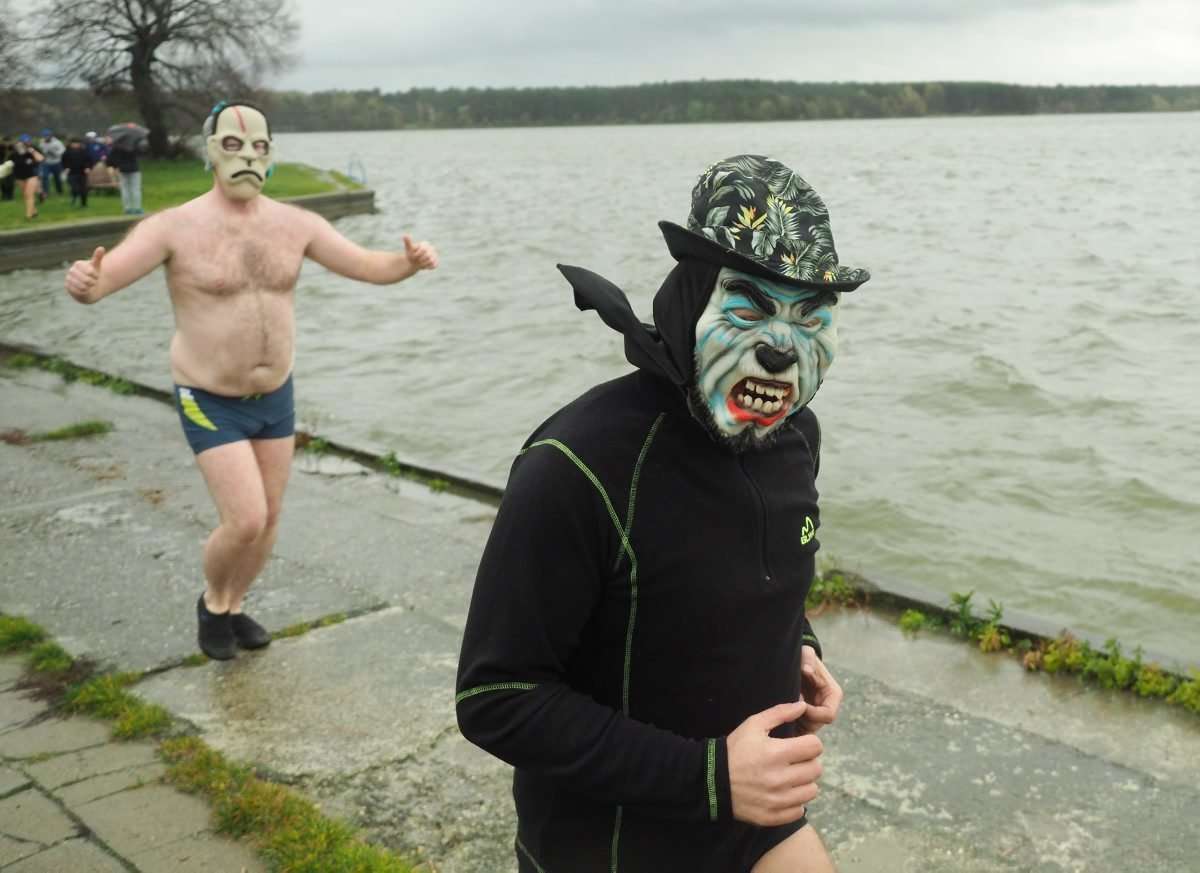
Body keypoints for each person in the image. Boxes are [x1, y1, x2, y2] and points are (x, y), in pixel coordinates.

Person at [456, 154, 870, 873]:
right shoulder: (579, 462)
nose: (780, 350)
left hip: (753, 820)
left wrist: (797, 646)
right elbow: (495, 695)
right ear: (689, 299)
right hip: (611, 844)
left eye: (810, 317)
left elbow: (761, 579)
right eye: (748, 310)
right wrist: (709, 776)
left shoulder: (794, 437)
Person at [63, 101, 440, 661]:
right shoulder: (171, 227)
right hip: (208, 396)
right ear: (211, 151)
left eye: (258, 147)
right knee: (245, 519)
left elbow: (366, 265)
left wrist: (408, 263)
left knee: (269, 520)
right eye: (234, 145)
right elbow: (102, 282)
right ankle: (213, 603)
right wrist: (84, 283)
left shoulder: (297, 224)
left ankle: (236, 603)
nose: (247, 157)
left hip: (275, 396)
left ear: (271, 155)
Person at [10, 135, 44, 219]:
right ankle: (34, 212)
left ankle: (28, 215)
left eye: (27, 142)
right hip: (19, 176)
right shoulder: (14, 154)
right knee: (25, 195)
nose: (24, 144)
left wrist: (32, 151)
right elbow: (10, 164)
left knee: (29, 194)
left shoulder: (31, 151)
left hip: (31, 176)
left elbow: (40, 159)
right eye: (23, 143)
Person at [107, 135, 142, 214]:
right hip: (134, 169)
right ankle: (137, 208)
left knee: (125, 189)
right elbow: (139, 153)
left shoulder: (117, 147)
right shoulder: (133, 145)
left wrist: (115, 166)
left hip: (122, 169)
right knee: (136, 189)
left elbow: (110, 160)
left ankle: (127, 208)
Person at [61, 136, 94, 207]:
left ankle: (84, 204)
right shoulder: (67, 152)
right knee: (75, 188)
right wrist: (66, 168)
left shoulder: (84, 151)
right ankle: (74, 197)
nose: (75, 145)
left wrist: (88, 167)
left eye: (77, 143)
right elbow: (64, 161)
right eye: (74, 143)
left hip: (82, 173)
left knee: (83, 189)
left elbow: (89, 160)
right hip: (72, 173)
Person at [37, 129, 65, 200]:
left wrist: (54, 153)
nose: (46, 137)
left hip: (56, 162)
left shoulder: (57, 142)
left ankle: (59, 191)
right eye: (45, 136)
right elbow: (40, 151)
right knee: (45, 177)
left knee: (57, 178)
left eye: (47, 136)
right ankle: (46, 192)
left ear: (51, 135)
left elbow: (62, 151)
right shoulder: (41, 142)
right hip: (46, 163)